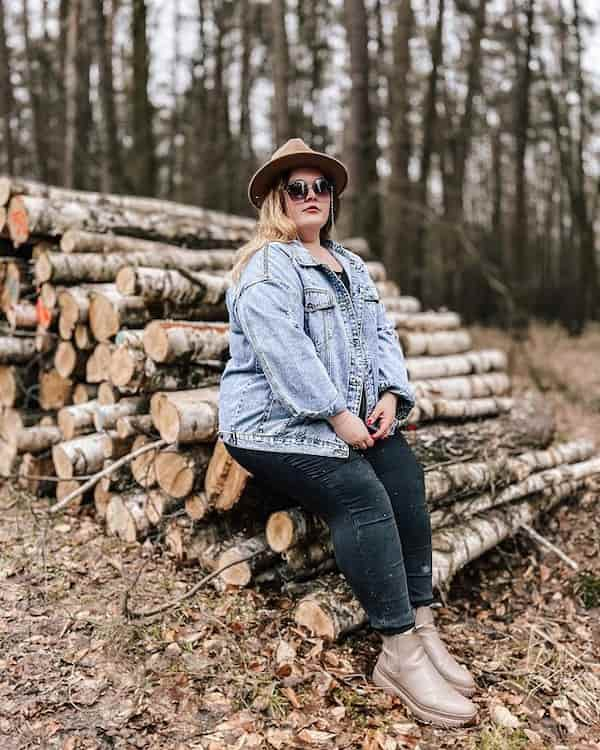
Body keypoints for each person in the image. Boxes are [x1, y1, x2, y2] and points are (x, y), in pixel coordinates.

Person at [217, 138, 478, 727]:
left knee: (404, 477)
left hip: (350, 416)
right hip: (271, 423)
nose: (311, 196)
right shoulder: (266, 269)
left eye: (321, 187)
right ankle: (397, 652)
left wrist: (389, 396)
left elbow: (382, 337)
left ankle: (424, 626)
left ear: (332, 198)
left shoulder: (351, 265)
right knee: (362, 494)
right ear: (276, 201)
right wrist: (338, 415)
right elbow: (287, 355)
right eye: (297, 188)